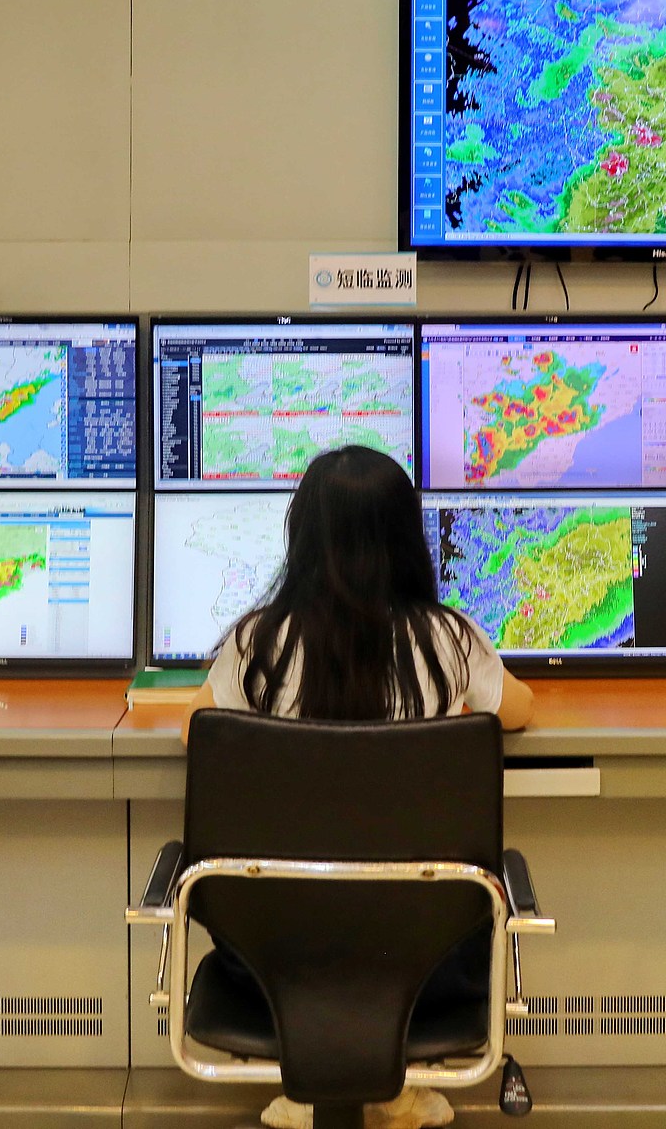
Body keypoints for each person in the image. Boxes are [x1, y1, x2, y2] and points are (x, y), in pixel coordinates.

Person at [185, 445, 534, 1129]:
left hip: (270, 961)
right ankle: (384, 1088)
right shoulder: (450, 640)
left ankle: (312, 1078)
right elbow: (519, 708)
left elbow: (202, 727)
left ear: (302, 538)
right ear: (408, 538)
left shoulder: (257, 643)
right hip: (425, 959)